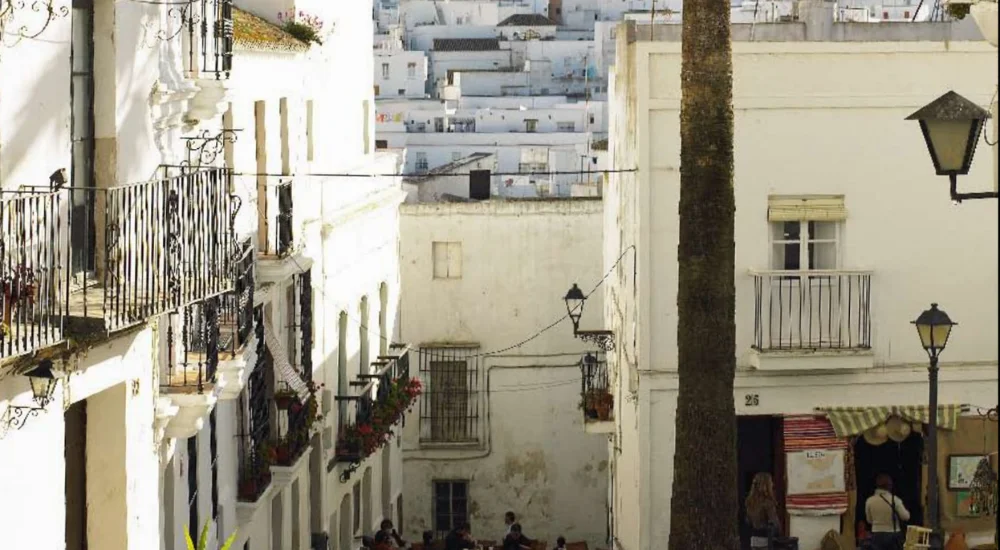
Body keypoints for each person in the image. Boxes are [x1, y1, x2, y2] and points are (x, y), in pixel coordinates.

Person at [865, 473, 910, 550]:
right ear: (889, 486)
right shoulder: (895, 500)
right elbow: (905, 517)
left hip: (876, 535)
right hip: (893, 535)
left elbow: (869, 520)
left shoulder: (869, 501)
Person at [745, 472, 781, 550]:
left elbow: (748, 521)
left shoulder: (750, 502)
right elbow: (774, 523)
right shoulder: (768, 503)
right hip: (766, 540)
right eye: (771, 482)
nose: (772, 484)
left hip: (754, 540)